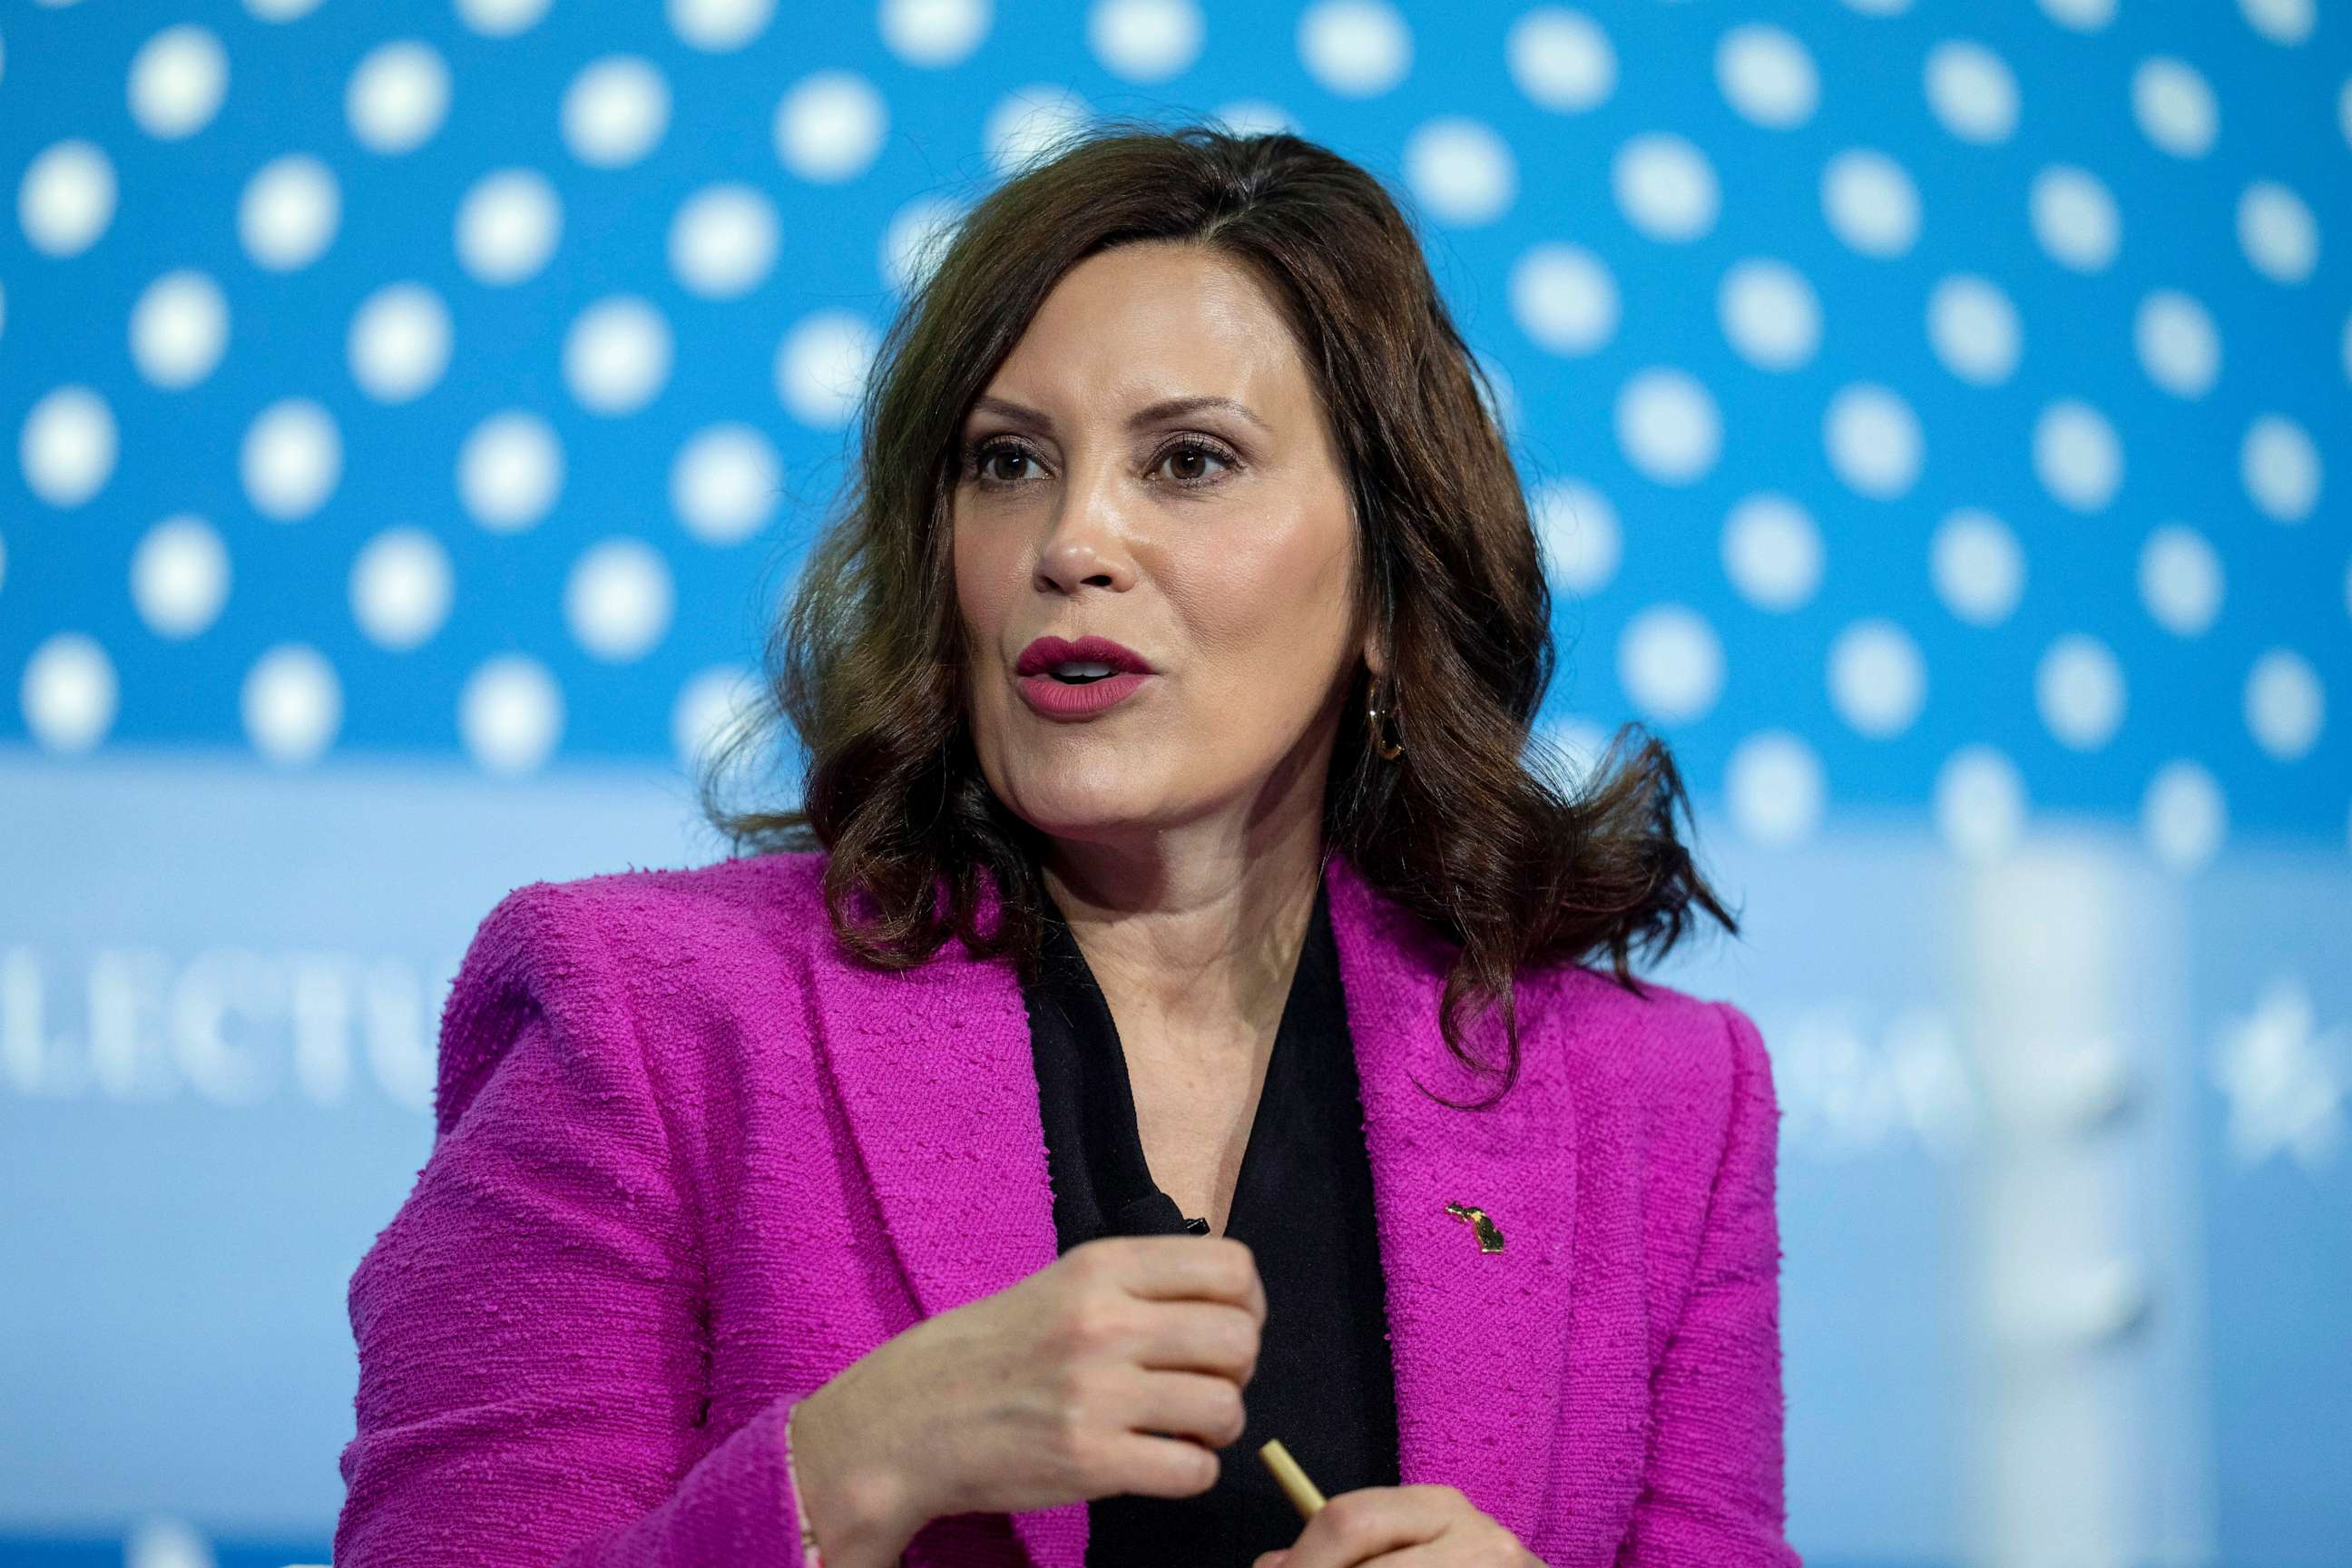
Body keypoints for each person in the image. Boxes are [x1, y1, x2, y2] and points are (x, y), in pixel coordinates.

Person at [333, 122, 1800, 1568]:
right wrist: (854, 1468)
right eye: (1007, 461)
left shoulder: (1661, 1107)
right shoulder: (647, 1015)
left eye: (1189, 463)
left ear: (1387, 589)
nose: (1071, 539)